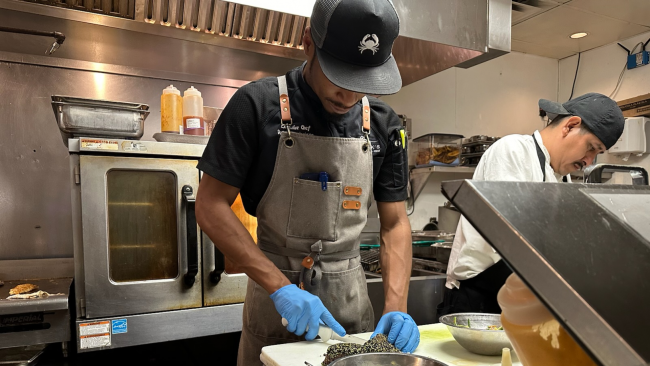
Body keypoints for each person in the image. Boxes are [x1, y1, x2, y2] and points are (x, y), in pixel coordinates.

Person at [195, 0, 420, 364]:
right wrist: (281, 287)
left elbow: (394, 222)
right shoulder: (255, 105)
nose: (349, 96)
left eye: (362, 82)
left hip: (352, 306)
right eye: (339, 77)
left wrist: (397, 305)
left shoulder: (384, 125)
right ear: (307, 43)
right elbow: (209, 205)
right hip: (275, 303)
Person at [437, 92, 625, 317]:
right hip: (478, 298)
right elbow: (510, 237)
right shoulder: (513, 150)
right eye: (591, 148)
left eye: (597, 153)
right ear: (570, 125)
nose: (589, 161)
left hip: (519, 295)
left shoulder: (561, 177)